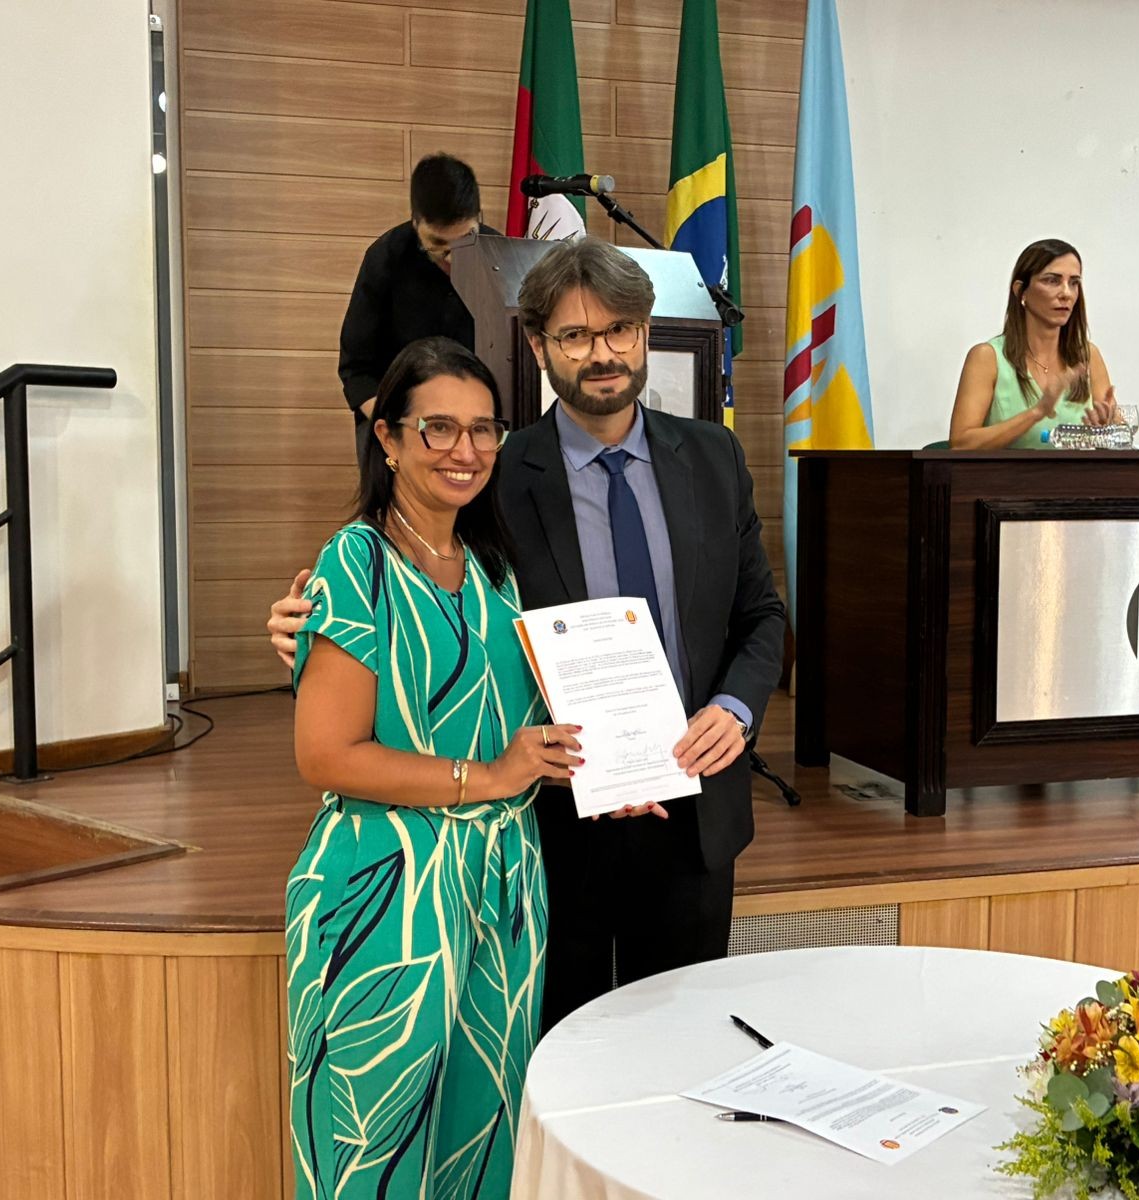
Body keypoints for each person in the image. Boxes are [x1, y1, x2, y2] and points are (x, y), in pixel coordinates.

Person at [274, 238, 786, 1033]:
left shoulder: (715, 457)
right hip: (552, 822)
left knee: (682, 1048)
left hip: (693, 811)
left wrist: (736, 707)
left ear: (647, 335)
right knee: (560, 1054)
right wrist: (308, 627)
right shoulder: (491, 473)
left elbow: (762, 616)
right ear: (540, 347)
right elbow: (411, 581)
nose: (603, 353)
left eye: (619, 330)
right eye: (575, 336)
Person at [285, 337, 581, 1197]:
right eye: (438, 429)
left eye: (484, 430)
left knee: (481, 1141)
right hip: (387, 894)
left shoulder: (494, 568)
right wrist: (490, 776)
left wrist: (594, 761)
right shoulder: (356, 560)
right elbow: (326, 754)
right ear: (387, 437)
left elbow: (517, 721)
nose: (466, 451)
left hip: (504, 885)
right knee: (372, 1152)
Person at [338, 153, 498, 451]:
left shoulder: (501, 259)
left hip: (477, 423)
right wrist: (396, 431)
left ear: (480, 218)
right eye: (437, 246)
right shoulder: (385, 259)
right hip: (397, 420)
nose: (452, 259)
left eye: (465, 242)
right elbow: (357, 369)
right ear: (416, 223)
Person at [948, 238, 1120, 449]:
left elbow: (1117, 433)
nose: (1066, 293)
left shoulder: (1087, 356)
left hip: (1077, 480)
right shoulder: (987, 357)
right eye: (1052, 281)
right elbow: (961, 443)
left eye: (1074, 283)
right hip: (1009, 480)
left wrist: (1107, 429)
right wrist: (1036, 413)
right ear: (1021, 291)